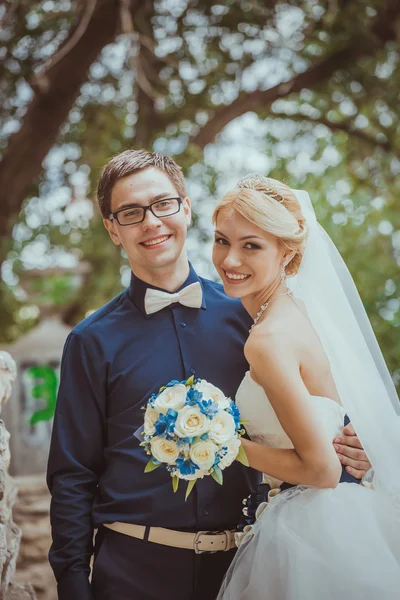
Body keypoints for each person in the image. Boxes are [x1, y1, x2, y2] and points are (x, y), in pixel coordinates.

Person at [46, 151, 370, 600]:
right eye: (130, 213)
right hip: (134, 572)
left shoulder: (254, 320)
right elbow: (73, 475)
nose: (151, 223)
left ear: (186, 207)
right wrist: (72, 581)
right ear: (112, 228)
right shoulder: (90, 341)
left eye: (163, 204)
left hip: (251, 566)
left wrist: (357, 445)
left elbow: (317, 417)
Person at [212, 174, 400, 600]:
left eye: (251, 245)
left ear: (288, 254)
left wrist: (218, 443)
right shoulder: (301, 310)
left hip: (316, 526)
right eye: (222, 240)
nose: (229, 259)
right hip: (352, 514)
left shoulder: (267, 340)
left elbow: (322, 470)